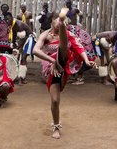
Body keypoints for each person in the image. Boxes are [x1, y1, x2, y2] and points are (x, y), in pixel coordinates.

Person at [33, 8, 96, 139]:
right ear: (51, 20)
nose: (62, 22)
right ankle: (56, 126)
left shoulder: (68, 34)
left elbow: (79, 47)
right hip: (50, 68)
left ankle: (59, 60)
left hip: (64, 64)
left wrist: (86, 60)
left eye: (63, 20)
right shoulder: (45, 35)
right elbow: (35, 51)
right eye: (58, 19)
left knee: (63, 48)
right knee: (55, 100)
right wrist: (52, 61)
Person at [65, 0, 96, 85]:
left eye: (68, 3)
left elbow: (81, 15)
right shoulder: (65, 12)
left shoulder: (75, 10)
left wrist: (80, 22)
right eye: (66, 3)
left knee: (77, 53)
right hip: (71, 29)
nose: (67, 5)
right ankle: (73, 75)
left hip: (75, 28)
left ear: (70, 4)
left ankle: (79, 77)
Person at [6, 16, 35, 85]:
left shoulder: (19, 25)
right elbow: (14, 35)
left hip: (29, 40)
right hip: (22, 40)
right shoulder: (12, 24)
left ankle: (22, 78)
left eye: (8, 20)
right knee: (17, 58)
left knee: (23, 58)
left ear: (12, 19)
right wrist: (13, 44)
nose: (7, 22)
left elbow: (24, 38)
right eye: (6, 20)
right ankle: (18, 76)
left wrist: (18, 47)